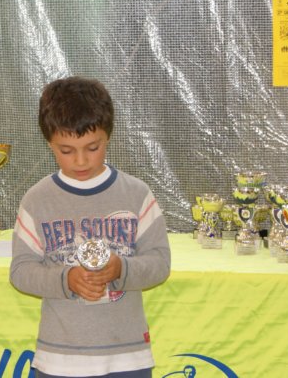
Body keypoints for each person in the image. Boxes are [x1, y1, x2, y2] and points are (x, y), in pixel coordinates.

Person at [10, 76, 171, 378]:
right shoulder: (36, 200)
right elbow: (20, 272)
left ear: (108, 136)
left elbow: (160, 264)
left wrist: (121, 269)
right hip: (58, 360)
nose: (81, 161)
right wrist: (67, 279)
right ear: (49, 143)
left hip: (128, 359)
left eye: (92, 147)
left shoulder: (137, 194)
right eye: (66, 150)